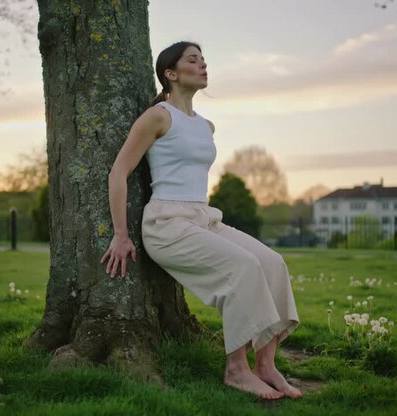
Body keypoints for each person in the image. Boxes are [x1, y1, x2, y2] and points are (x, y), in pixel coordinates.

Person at [100, 41, 301, 400]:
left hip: (204, 218)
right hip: (167, 224)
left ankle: (266, 365)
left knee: (272, 263)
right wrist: (120, 233)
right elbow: (119, 172)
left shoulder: (206, 125)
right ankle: (236, 370)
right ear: (171, 73)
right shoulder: (158, 116)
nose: (203, 66)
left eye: (204, 60)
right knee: (243, 267)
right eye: (193, 60)